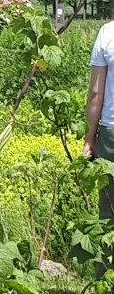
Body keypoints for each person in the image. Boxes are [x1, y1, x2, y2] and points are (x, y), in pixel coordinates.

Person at [84, 20, 114, 275]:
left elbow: (96, 93)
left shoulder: (108, 32)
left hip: (110, 132)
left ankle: (106, 278)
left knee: (109, 210)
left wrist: (89, 138)